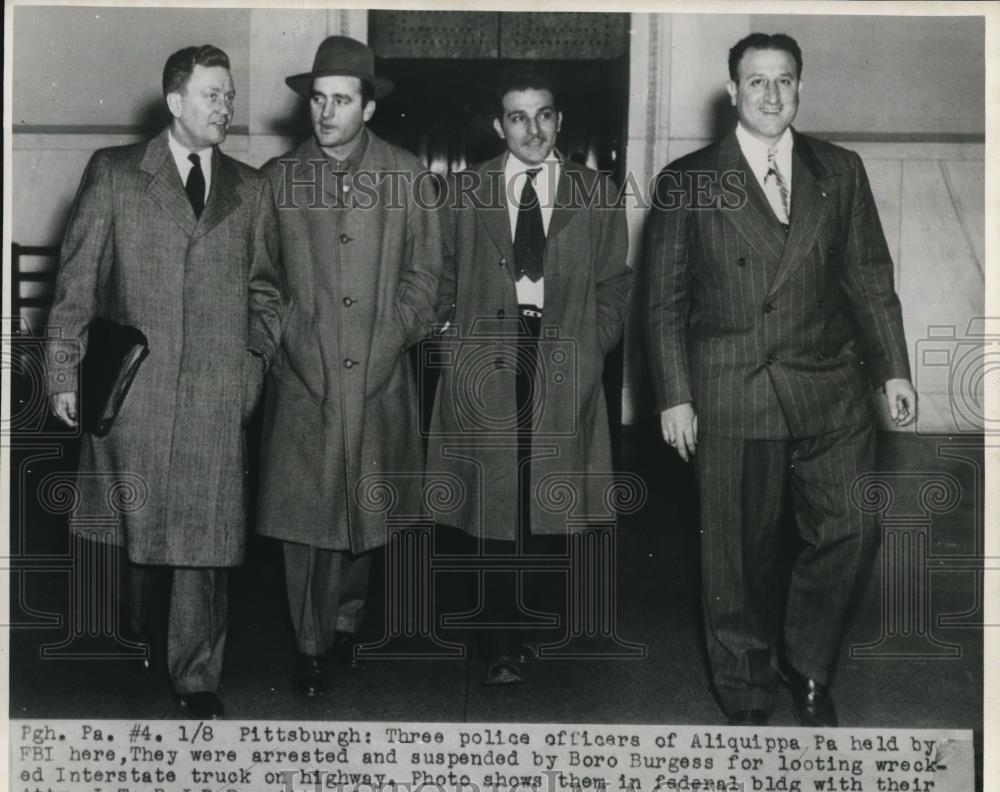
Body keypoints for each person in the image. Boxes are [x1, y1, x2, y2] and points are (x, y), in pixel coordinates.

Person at [645, 33, 917, 727]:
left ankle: (806, 661)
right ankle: (743, 686)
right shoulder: (689, 179)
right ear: (731, 92)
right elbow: (665, 301)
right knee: (734, 555)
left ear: (801, 88)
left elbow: (869, 278)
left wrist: (893, 369)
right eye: (756, 81)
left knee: (853, 527)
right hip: (733, 386)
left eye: (784, 81)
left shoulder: (841, 170)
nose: (771, 94)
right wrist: (674, 393)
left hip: (830, 386)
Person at [46, 45, 284, 719]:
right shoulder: (117, 174)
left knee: (204, 542)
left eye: (230, 96)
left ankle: (196, 673)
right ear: (175, 101)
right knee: (134, 533)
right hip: (134, 392)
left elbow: (269, 292)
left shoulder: (251, 188)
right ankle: (130, 633)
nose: (226, 107)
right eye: (212, 94)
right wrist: (64, 370)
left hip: (217, 390)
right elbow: (76, 285)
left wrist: (250, 367)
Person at [427, 68, 632, 685]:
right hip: (485, 360)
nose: (532, 128)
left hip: (563, 358)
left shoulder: (595, 192)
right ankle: (499, 641)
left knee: (545, 495)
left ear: (560, 120)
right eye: (518, 116)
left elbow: (614, 285)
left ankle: (529, 618)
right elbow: (438, 277)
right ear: (498, 126)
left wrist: (591, 348)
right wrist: (449, 340)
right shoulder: (463, 192)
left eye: (544, 114)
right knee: (493, 501)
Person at [256, 36, 441, 697]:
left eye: (341, 100)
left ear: (368, 107)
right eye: (318, 99)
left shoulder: (408, 175)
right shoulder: (277, 179)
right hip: (301, 375)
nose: (326, 112)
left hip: (381, 375)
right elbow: (261, 280)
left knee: (365, 511)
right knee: (306, 517)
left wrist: (390, 337)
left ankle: (345, 620)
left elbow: (427, 279)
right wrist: (293, 343)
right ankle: (309, 645)